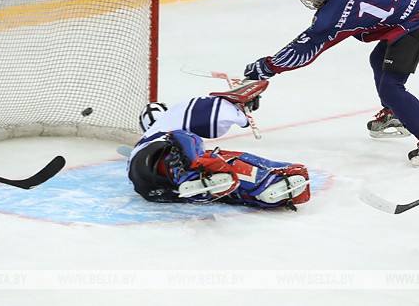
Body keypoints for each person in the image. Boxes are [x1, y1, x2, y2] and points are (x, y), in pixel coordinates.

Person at [243, 0, 419, 166]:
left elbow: (303, 50)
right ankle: (394, 113)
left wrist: (266, 67)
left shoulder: (332, 18)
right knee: (377, 60)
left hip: (416, 19)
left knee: (391, 88)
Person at [128, 80, 311, 210]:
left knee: (220, 171)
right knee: (194, 144)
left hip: (154, 189)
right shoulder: (166, 123)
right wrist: (238, 105)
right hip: (164, 166)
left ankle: (264, 189)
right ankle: (261, 181)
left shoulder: (140, 146)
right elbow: (209, 111)